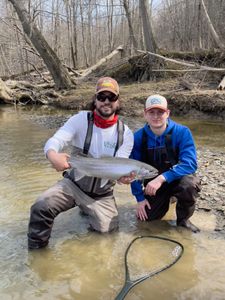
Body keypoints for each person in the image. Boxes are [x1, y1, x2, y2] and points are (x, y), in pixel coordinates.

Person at [28, 77, 134, 250]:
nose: (106, 101)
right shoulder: (80, 120)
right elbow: (55, 141)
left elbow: (120, 167)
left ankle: (87, 214)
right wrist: (52, 155)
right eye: (101, 97)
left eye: (111, 97)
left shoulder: (126, 134)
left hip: (102, 194)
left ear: (118, 101)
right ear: (95, 100)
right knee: (41, 207)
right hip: (73, 184)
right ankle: (36, 255)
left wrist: (123, 178)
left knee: (107, 236)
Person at [130, 94, 201, 233]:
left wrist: (162, 178)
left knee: (189, 186)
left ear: (167, 113)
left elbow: (190, 164)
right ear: (145, 114)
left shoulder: (182, 132)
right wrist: (139, 198)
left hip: (177, 180)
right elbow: (134, 170)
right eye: (152, 112)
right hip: (154, 186)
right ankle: (167, 199)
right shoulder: (138, 137)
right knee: (145, 220)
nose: (156, 116)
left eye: (160, 112)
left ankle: (183, 220)